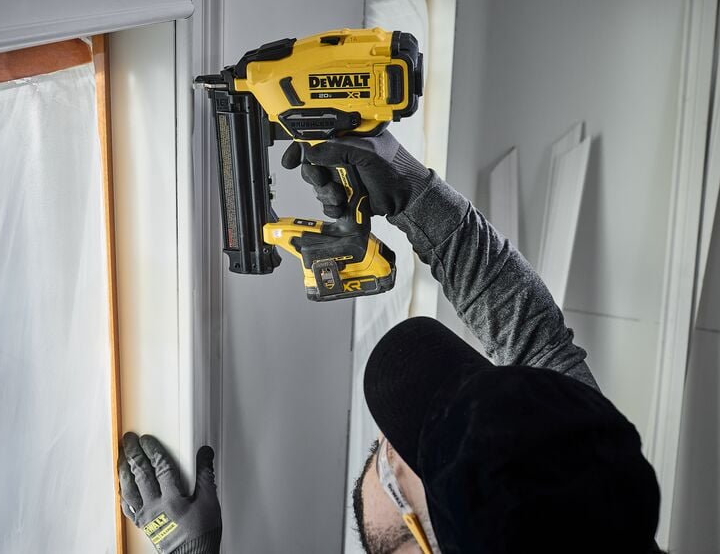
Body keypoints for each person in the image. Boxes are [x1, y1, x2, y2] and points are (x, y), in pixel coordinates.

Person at [119, 129, 661, 554]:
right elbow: (535, 340)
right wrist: (411, 191)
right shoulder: (591, 490)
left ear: (429, 538)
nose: (381, 441)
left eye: (396, 454)